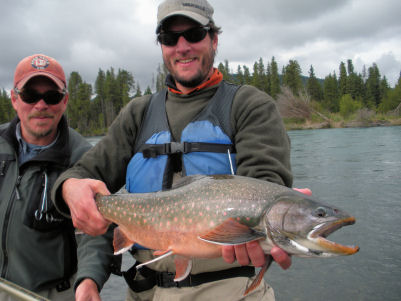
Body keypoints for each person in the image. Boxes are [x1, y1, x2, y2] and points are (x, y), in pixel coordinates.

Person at [51, 0, 296, 300]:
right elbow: (81, 174)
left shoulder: (250, 106)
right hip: (145, 290)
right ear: (162, 46)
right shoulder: (137, 114)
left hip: (231, 288)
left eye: (194, 34)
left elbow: (266, 182)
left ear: (214, 39)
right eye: (170, 38)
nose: (182, 47)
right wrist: (69, 189)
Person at [0, 54, 116, 301]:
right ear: (14, 98)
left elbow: (95, 230)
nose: (40, 105)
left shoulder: (84, 160)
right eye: (30, 95)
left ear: (64, 101)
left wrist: (89, 279)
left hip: (50, 293)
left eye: (51, 97)